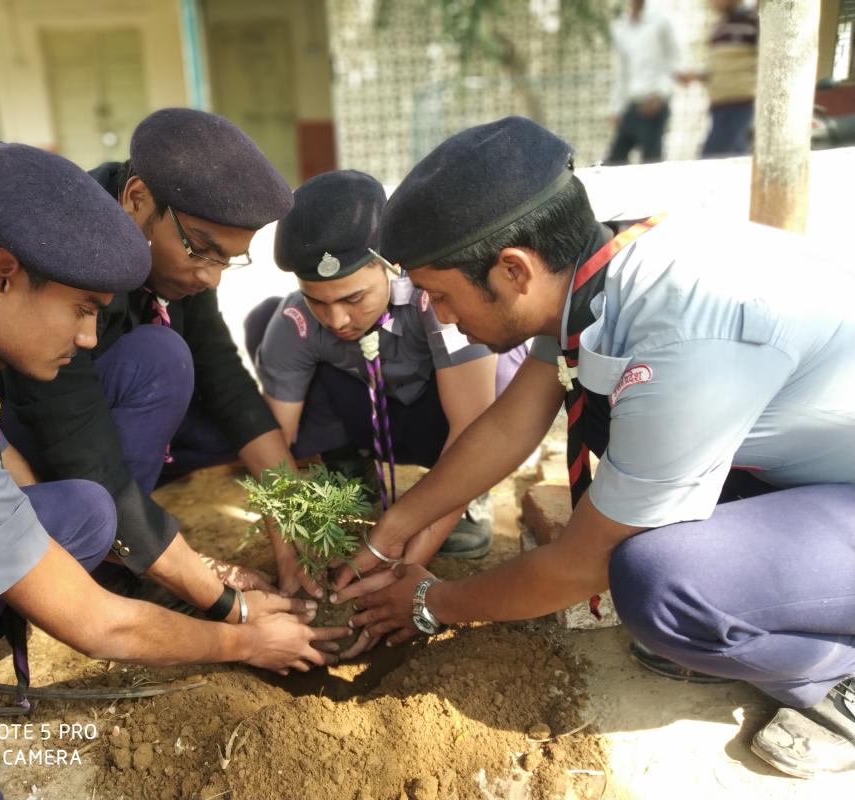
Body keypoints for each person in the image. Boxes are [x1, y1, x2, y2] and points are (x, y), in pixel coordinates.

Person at [0, 143, 345, 800]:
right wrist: (246, 639)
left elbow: (14, 480)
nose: (88, 337)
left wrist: (225, 554)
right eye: (82, 309)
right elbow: (95, 624)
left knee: (78, 512)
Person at [331, 116, 855, 778]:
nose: (439, 315)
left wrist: (431, 604)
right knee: (609, 418)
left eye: (441, 295)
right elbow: (510, 424)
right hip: (816, 469)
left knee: (660, 583)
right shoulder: (597, 270)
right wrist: (392, 532)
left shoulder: (681, 336)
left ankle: (838, 677)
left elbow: (581, 565)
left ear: (512, 269)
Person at [0, 109, 319, 601]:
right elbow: (77, 435)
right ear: (137, 198)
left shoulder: (178, 257)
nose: (212, 277)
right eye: (201, 250)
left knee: (197, 393)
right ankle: (108, 559)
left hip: (71, 417)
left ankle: (121, 541)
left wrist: (294, 521)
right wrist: (212, 592)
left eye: (227, 260)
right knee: (161, 360)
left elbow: (225, 379)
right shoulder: (65, 249)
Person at [248, 169, 526, 563]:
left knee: (498, 366)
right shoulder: (298, 320)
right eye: (318, 301)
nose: (337, 319)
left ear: (390, 265)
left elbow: (471, 425)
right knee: (268, 325)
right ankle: (348, 471)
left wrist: (407, 563)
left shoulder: (435, 296)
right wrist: (290, 544)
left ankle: (466, 492)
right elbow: (276, 443)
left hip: (440, 420)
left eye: (353, 298)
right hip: (371, 416)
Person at [678, 0, 759, 157]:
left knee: (716, 155)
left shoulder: (754, 21)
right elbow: (718, 68)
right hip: (720, 104)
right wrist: (695, 75)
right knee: (727, 155)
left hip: (743, 102)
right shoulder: (718, 27)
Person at [605, 0, 680, 165]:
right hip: (631, 105)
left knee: (651, 162)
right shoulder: (620, 28)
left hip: (655, 104)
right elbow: (622, 72)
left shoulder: (661, 21)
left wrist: (660, 94)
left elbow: (674, 62)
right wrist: (616, 108)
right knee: (615, 160)